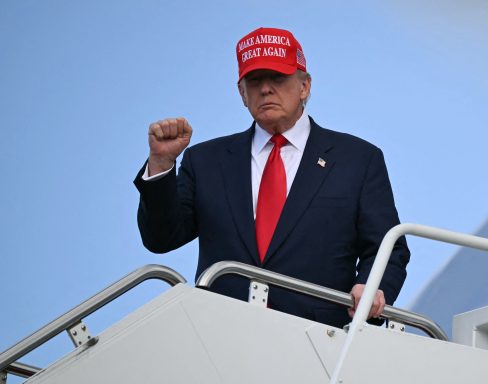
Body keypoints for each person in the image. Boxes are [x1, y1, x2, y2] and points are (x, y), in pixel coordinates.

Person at [134, 27, 409, 328]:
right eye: (254, 81)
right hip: (219, 336)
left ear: (305, 86)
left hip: (320, 343)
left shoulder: (357, 159)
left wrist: (371, 287)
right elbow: (161, 238)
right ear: (242, 93)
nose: (265, 89)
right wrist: (161, 163)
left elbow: (388, 248)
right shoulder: (205, 161)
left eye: (277, 78)